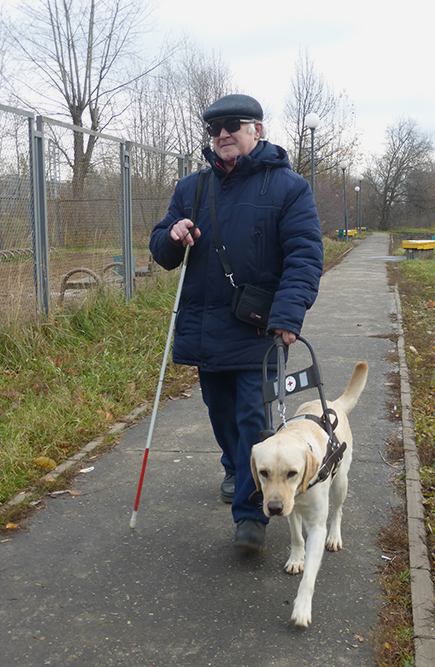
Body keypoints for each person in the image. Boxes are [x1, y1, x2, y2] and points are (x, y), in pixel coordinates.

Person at [149, 94, 323, 552]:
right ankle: (236, 465)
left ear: (257, 130)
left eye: (232, 124)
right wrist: (171, 235)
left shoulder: (289, 188)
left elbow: (305, 256)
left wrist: (289, 315)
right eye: (214, 128)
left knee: (252, 417)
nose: (222, 134)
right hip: (205, 330)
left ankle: (251, 517)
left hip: (257, 330)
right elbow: (162, 251)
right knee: (220, 413)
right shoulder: (193, 188)